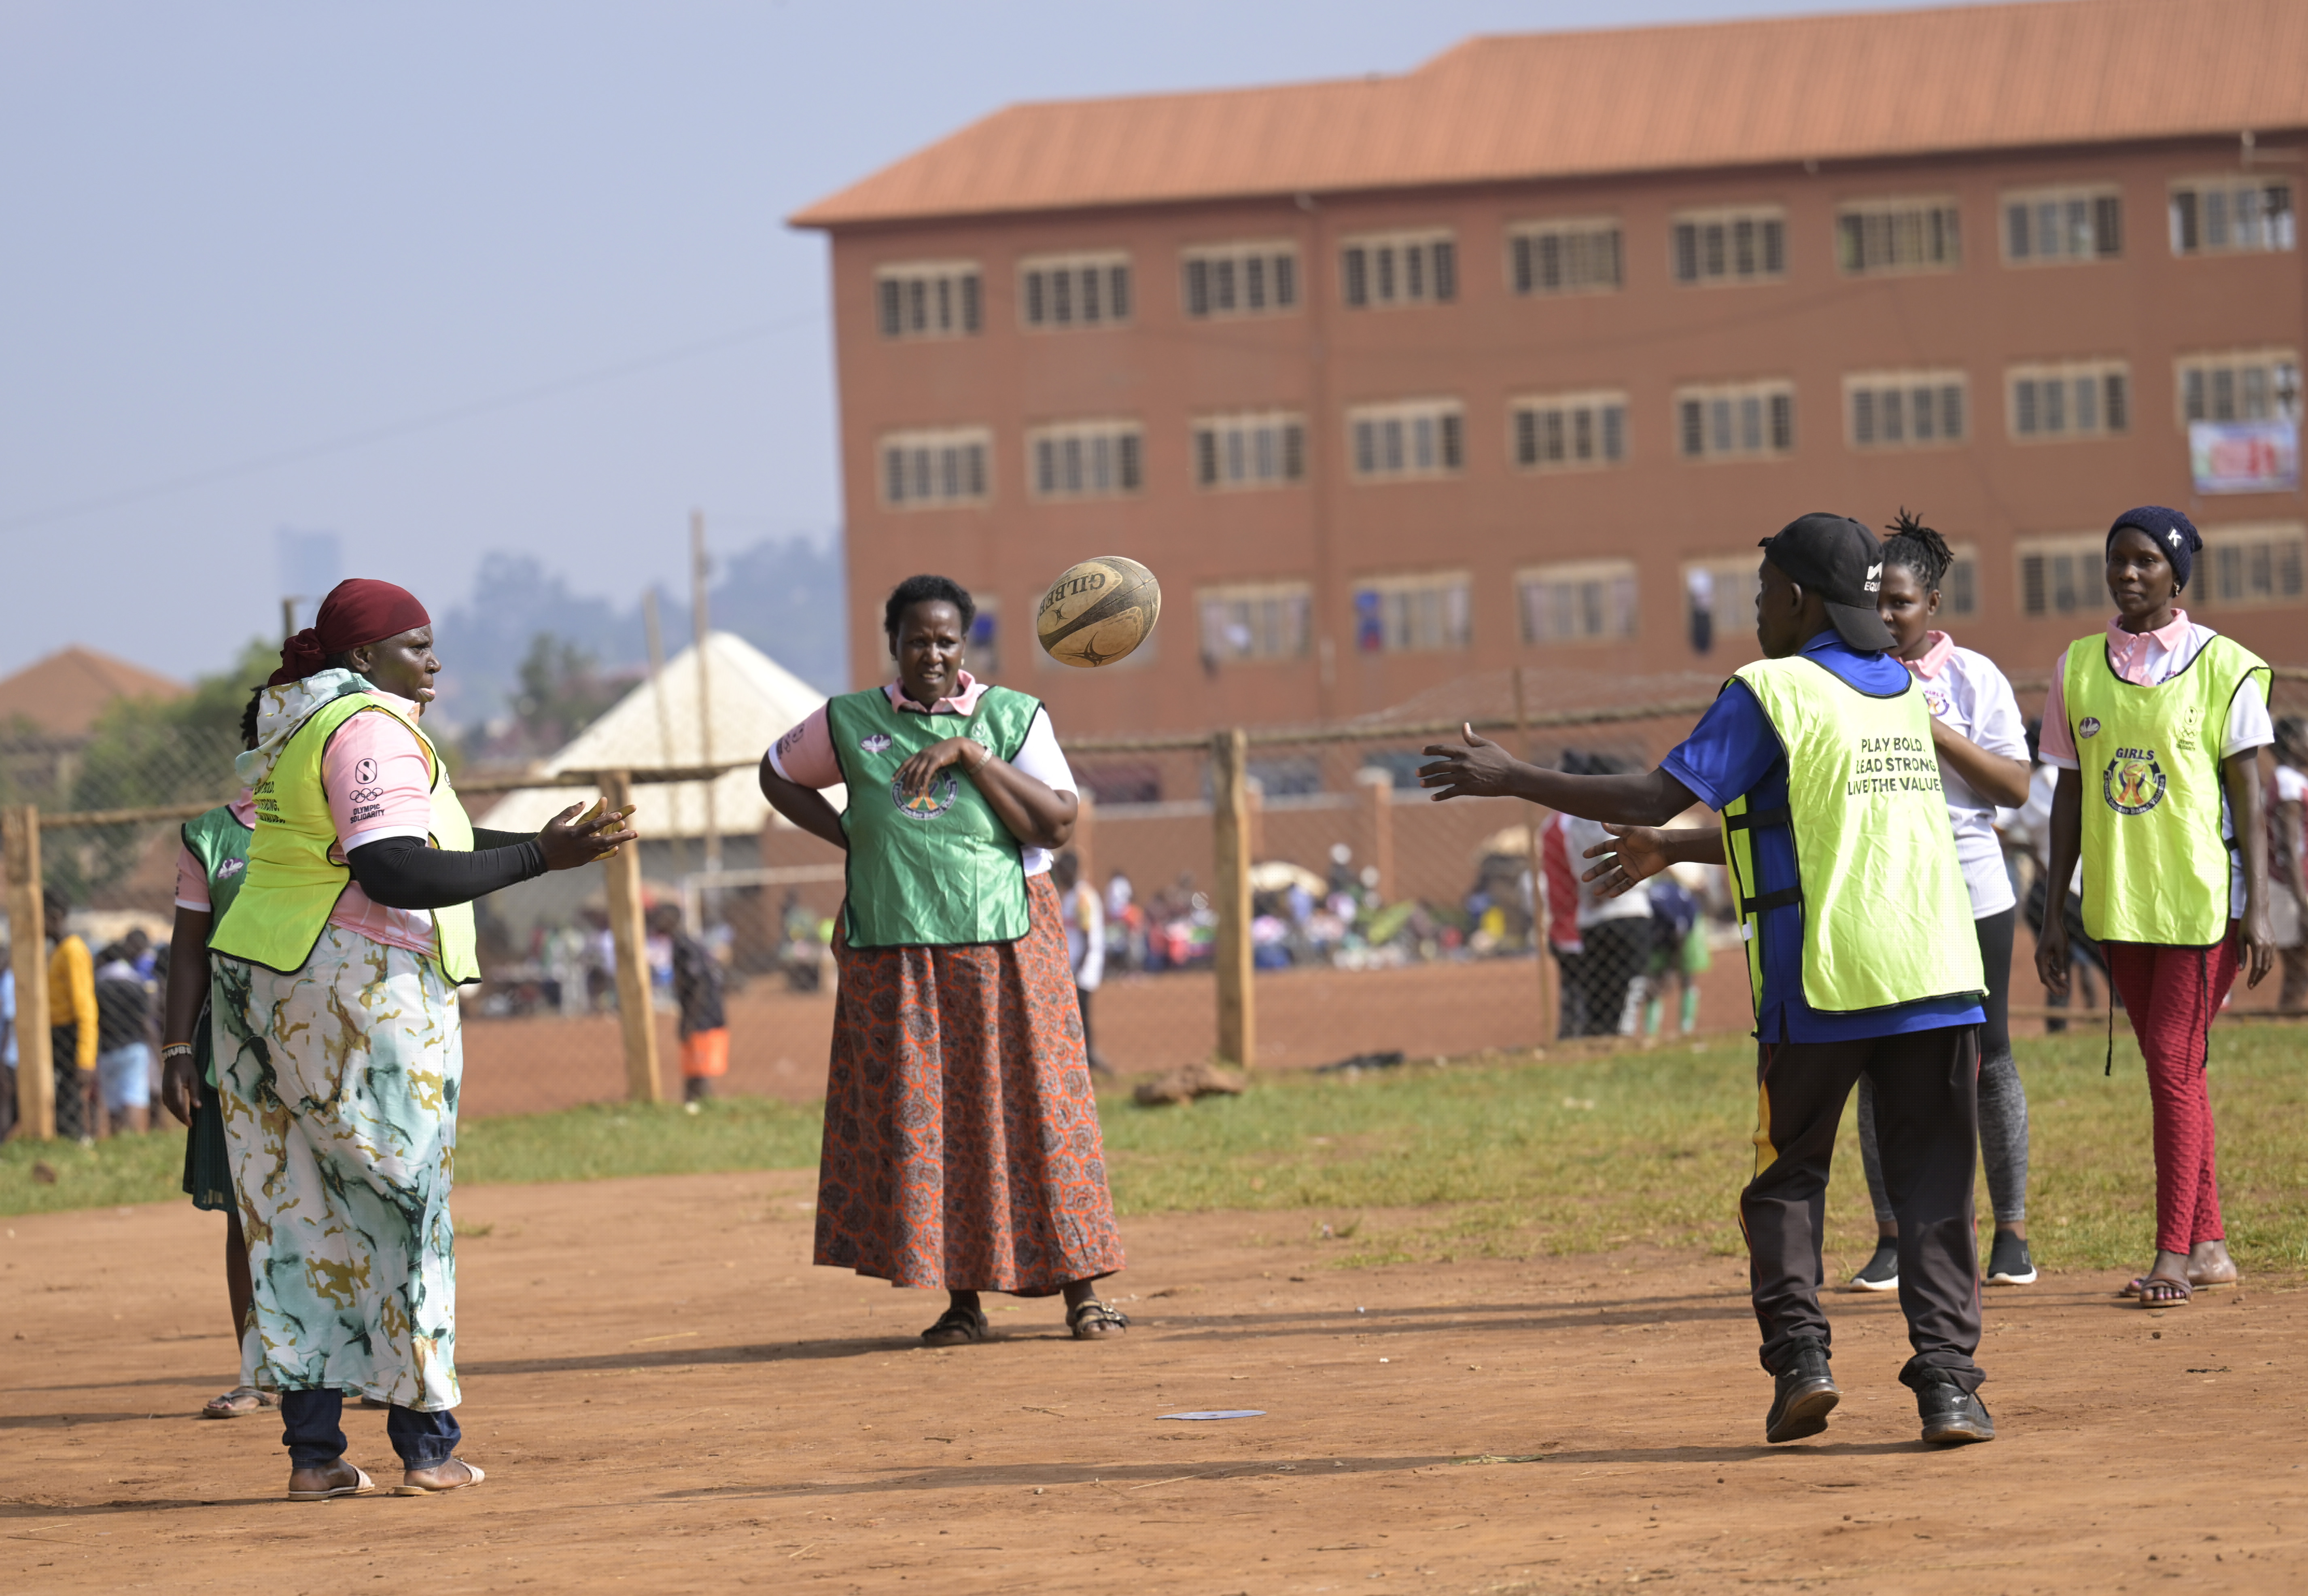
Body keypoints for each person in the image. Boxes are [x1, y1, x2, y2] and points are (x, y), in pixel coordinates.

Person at [1420, 513, 1995, 1447]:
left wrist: (1513, 774)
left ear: (1799, 599)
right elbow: (1806, 821)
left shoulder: (1770, 690)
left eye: (1762, 592)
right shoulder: (1893, 688)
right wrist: (1679, 847)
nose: (1755, 609)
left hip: (1824, 980)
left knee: (1784, 1179)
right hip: (1934, 972)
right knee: (1932, 1189)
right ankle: (1948, 1387)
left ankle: (1802, 1361)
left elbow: (1655, 791)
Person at [208, 578, 636, 1500]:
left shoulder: (303, 722)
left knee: (300, 1218)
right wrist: (537, 860)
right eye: (415, 645)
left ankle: (316, 1457)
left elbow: (414, 832)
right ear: (363, 659)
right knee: (408, 1212)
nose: (432, 661)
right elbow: (392, 866)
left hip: (268, 987)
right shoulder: (368, 725)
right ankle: (427, 1448)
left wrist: (536, 840)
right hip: (356, 999)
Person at [759, 573, 1129, 1345]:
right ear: (893, 643)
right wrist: (851, 836)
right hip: (898, 951)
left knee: (1040, 1111)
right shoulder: (850, 720)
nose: (932, 652)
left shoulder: (1013, 716)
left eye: (946, 639)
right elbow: (776, 772)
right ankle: (963, 1301)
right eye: (917, 639)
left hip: (1008, 943)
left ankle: (1081, 1294)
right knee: (934, 1125)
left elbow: (1058, 822)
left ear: (966, 645)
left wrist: (969, 754)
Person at [2033, 507, 2276, 1309]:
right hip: (2116, 905)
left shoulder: (2226, 667)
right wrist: (2051, 910)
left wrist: (2264, 906)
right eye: (2116, 560)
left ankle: (2171, 1254)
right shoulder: (2074, 668)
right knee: (2175, 1067)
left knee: (2173, 1067)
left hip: (2200, 906)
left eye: (2144, 560)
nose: (2127, 573)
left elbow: (2253, 793)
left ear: (2177, 574)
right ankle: (2208, 1245)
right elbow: (2067, 796)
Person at [1847, 512, 2036, 1294]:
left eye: (1899, 602)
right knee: (1874, 1057)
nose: (1885, 616)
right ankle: (1892, 1235)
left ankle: (2010, 1232)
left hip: (1969, 889)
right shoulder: (1848, 673)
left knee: (1986, 1054)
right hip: (1881, 891)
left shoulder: (1974, 679)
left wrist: (1927, 728)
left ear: (1930, 600)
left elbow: (2014, 787)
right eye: (1875, 603)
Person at [157, 687, 274, 1418]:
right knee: (246, 1210)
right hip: (233, 1045)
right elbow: (187, 948)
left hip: (330, 1042)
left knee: (342, 1204)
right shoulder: (211, 835)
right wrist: (177, 1047)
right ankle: (257, 1370)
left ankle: (356, 1365)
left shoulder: (346, 826)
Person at [649, 902, 729, 1105]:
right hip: (697, 1013)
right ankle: (694, 1103)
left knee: (699, 1066)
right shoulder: (679, 944)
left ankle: (698, 1103)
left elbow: (699, 986)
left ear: (673, 921)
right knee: (693, 1065)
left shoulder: (686, 947)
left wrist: (690, 1021)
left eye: (661, 917)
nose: (656, 921)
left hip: (704, 1013)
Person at [45, 885, 98, 1144]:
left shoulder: (72, 950)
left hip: (70, 1035)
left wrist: (85, 1059)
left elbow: (85, 1008)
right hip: (57, 1035)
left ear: (54, 917)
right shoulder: (56, 952)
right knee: (61, 1099)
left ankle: (79, 1146)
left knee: (70, 1101)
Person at [1051, 851, 1112, 1075]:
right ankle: (1086, 1057)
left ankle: (1088, 1059)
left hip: (1082, 967)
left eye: (1060, 871)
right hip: (1075, 965)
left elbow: (1087, 937)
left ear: (1069, 871)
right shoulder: (1072, 896)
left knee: (1080, 1015)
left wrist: (1078, 968)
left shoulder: (1082, 897)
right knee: (1078, 1015)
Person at [92, 942, 154, 1136]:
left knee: (111, 1102)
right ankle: (136, 1139)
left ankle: (115, 1137)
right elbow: (146, 1020)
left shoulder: (99, 986)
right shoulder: (138, 983)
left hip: (108, 1049)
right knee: (135, 1096)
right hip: (135, 1048)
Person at [2270, 717, 2308, 1011]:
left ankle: (2285, 1023)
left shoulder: (2295, 780)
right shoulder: (2287, 781)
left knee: (2300, 971)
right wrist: (2302, 899)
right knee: (2300, 969)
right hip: (2288, 886)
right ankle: (2285, 1021)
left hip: (2293, 885)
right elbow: (2290, 846)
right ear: (2293, 743)